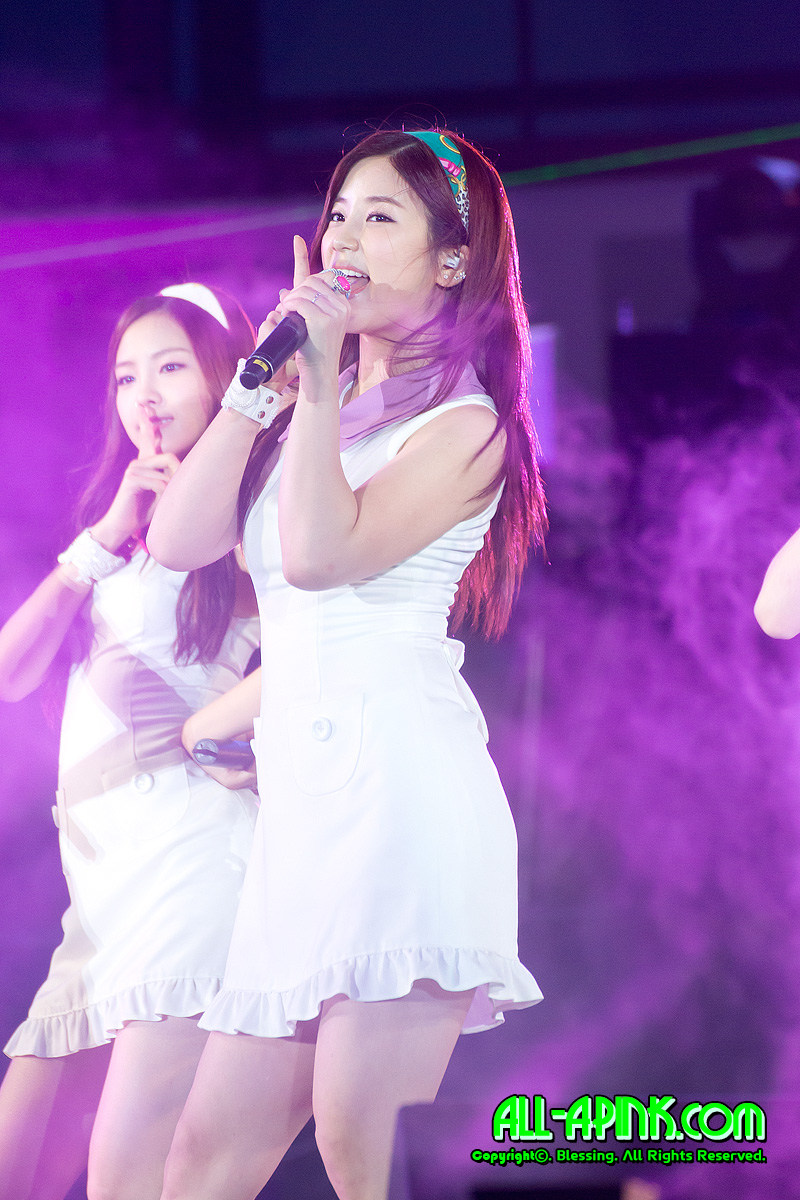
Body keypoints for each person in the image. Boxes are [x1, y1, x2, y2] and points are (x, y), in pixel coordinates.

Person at [148, 128, 548, 1200]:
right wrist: (262, 385)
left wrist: (318, 386)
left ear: (451, 259)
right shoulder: (304, 413)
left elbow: (321, 558)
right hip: (303, 813)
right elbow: (178, 542)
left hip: (399, 798)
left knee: (360, 1155)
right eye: (337, 214)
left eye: (380, 218)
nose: (344, 240)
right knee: (203, 1159)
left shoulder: (466, 426)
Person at [0, 284, 262, 1200]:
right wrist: (105, 536)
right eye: (125, 376)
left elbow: (320, 645)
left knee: (130, 1179)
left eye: (170, 368)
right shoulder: (117, 528)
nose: (143, 394)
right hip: (101, 893)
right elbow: (10, 673)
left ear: (223, 378)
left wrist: (211, 730)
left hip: (187, 864)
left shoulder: (250, 506)